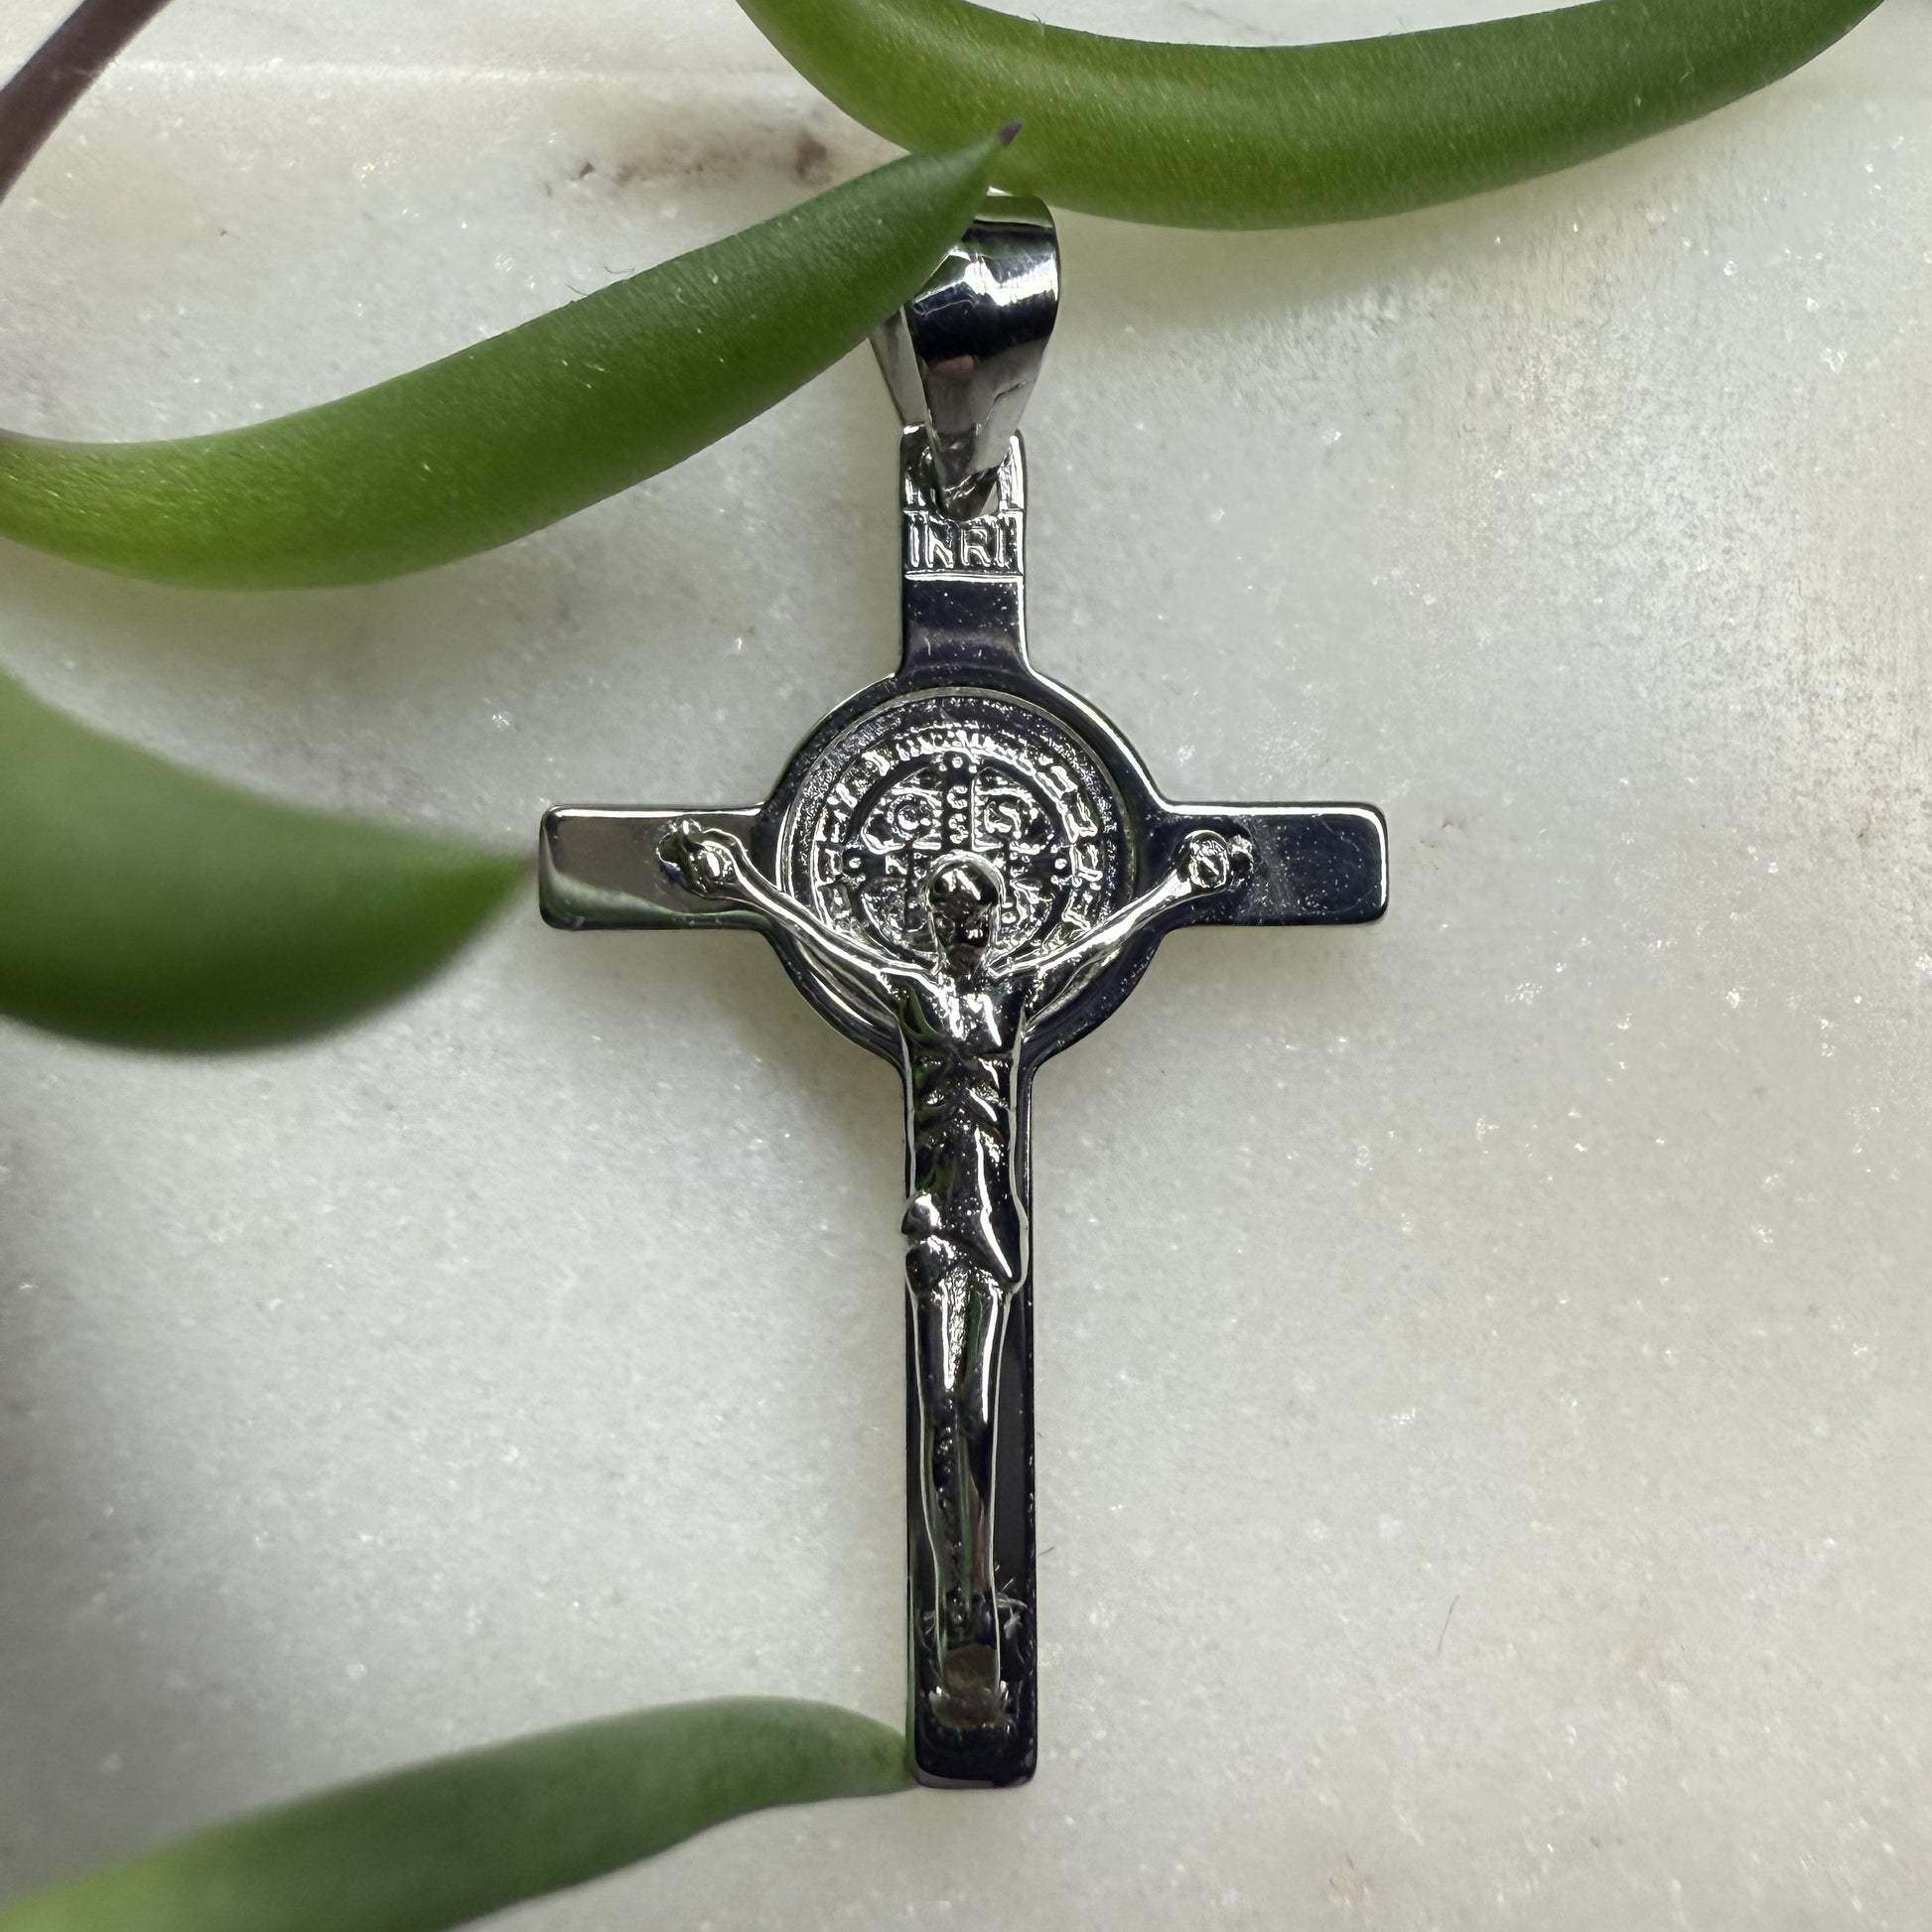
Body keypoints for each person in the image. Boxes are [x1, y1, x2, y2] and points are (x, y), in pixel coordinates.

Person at [658, 817, 1250, 1730]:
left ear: (996, 920)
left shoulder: (1016, 994)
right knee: (944, 1409)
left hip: (992, 1231)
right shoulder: (910, 997)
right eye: (951, 912)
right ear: (931, 922)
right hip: (937, 1224)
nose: (966, 926)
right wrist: (741, 886)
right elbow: (817, 941)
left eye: (978, 912)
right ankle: (959, 1614)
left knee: (974, 1413)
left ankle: (973, 1617)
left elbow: (1097, 946)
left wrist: (1176, 892)